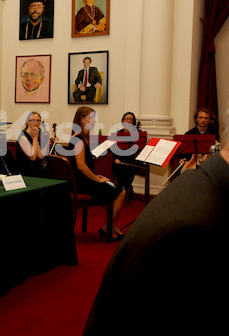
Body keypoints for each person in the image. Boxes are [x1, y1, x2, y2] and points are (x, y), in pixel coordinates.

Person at [83, 106, 229, 336]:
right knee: (119, 187)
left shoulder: (191, 192)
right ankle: (109, 224)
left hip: (128, 167)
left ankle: (111, 223)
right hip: (108, 172)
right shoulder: (197, 223)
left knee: (123, 182)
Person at [68, 107, 126, 241]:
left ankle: (112, 225)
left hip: (85, 180)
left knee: (114, 187)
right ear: (82, 120)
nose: (94, 121)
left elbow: (85, 166)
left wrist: (96, 176)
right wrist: (96, 179)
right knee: (121, 192)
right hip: (82, 184)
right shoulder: (78, 139)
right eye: (91, 118)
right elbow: (81, 166)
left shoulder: (82, 138)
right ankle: (107, 227)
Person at [111, 112, 142, 195]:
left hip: (133, 160)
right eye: (126, 119)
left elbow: (140, 148)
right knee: (117, 165)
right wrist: (116, 158)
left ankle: (124, 189)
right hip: (120, 159)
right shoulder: (119, 133)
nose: (128, 121)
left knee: (128, 167)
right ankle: (126, 189)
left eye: (130, 119)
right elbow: (114, 148)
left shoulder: (139, 134)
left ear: (134, 122)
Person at [15, 112, 49, 178]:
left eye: (38, 120)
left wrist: (47, 141)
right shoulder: (23, 137)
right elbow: (32, 157)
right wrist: (35, 138)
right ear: (28, 122)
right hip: (25, 172)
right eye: (33, 120)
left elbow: (40, 156)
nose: (36, 123)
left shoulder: (35, 134)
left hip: (35, 170)